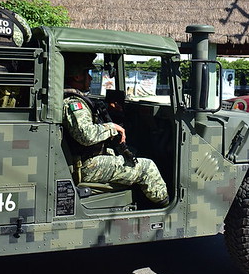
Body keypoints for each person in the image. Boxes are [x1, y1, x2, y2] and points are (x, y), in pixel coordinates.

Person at [62, 53, 169, 207]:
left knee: (133, 152)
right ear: (78, 77)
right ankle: (165, 209)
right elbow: (85, 135)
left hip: (87, 160)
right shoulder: (73, 103)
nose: (91, 78)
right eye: (88, 74)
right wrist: (112, 128)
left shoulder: (74, 99)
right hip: (87, 166)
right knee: (147, 167)